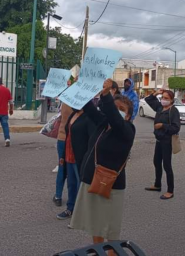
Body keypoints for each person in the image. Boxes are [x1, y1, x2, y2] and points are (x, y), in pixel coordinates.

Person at [70, 79, 135, 253]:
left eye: (122, 110)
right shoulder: (102, 123)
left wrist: (106, 96)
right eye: (116, 108)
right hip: (92, 180)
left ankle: (113, 252)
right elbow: (89, 108)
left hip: (112, 185)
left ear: (128, 116)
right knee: (95, 225)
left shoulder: (128, 129)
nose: (117, 112)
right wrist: (80, 87)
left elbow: (116, 120)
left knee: (110, 227)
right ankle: (99, 251)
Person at [56, 101, 96, 220]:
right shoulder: (73, 115)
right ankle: (70, 208)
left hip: (80, 158)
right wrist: (63, 156)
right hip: (69, 156)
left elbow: (91, 141)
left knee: (81, 186)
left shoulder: (89, 118)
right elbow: (68, 137)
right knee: (71, 184)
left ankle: (80, 214)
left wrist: (87, 159)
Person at [144, 89, 180, 200]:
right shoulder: (160, 107)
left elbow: (176, 128)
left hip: (167, 142)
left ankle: (170, 191)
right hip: (159, 140)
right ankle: (157, 185)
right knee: (156, 162)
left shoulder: (173, 111)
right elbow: (148, 99)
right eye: (162, 97)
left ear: (171, 100)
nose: (163, 100)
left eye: (166, 98)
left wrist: (162, 126)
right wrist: (156, 93)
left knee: (167, 166)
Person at [52, 82, 74, 207]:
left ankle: (58, 196)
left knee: (62, 167)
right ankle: (74, 198)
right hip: (74, 139)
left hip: (62, 138)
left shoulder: (65, 101)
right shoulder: (81, 102)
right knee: (73, 169)